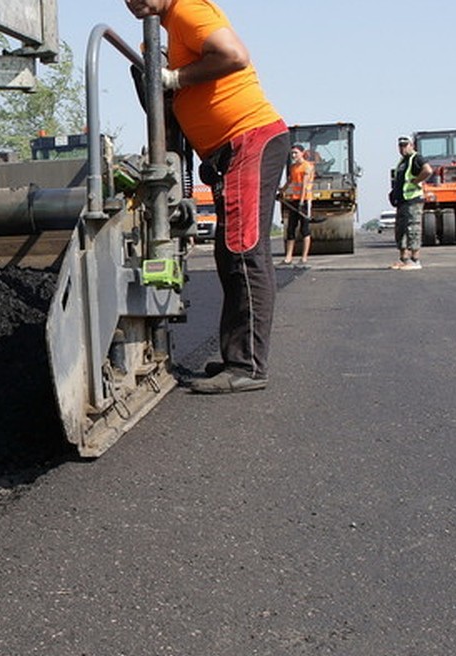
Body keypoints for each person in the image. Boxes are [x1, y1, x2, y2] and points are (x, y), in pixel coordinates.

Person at [124, 0, 288, 394]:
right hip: (231, 148)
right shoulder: (170, 30)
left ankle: (248, 366)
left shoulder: (187, 10)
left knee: (242, 249)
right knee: (230, 251)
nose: (132, 1)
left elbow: (233, 55)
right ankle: (237, 357)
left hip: (249, 138)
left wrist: (175, 79)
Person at [389, 136, 433, 269]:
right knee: (400, 230)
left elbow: (428, 170)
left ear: (411, 145)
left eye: (405, 145)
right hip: (402, 201)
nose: (402, 148)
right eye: (400, 146)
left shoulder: (416, 158)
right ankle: (404, 259)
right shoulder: (402, 161)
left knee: (413, 228)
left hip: (413, 200)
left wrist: (416, 181)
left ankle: (415, 260)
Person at [280, 144, 315, 266]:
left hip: (304, 201)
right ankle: (288, 257)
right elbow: (290, 181)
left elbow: (304, 186)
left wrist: (301, 202)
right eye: (292, 153)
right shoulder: (293, 167)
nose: (294, 155)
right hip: (294, 201)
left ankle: (304, 257)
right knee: (291, 229)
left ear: (302, 153)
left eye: (296, 153)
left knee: (304, 229)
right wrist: (281, 191)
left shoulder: (307, 167)